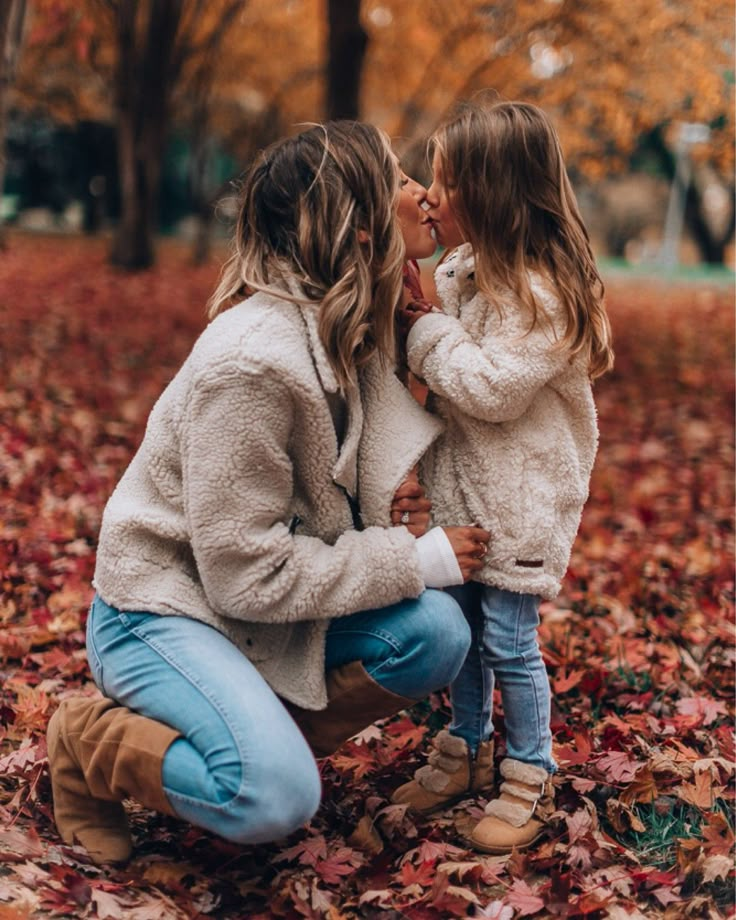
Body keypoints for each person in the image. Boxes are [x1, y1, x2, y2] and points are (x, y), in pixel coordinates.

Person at [45, 121, 492, 865]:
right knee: (273, 796)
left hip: (251, 610)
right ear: (355, 227)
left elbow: (319, 501)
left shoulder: (352, 328)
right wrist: (409, 560)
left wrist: (390, 514)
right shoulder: (252, 365)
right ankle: (90, 746)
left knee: (436, 636)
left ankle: (247, 730)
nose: (420, 192)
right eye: (400, 180)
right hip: (164, 608)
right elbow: (245, 573)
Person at [391, 100, 614, 854]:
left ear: (492, 194)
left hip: (520, 503)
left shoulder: (543, 296)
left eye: (447, 184)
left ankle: (530, 767)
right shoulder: (462, 270)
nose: (429, 195)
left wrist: (420, 329)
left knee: (509, 642)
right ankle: (464, 745)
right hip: (463, 496)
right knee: (463, 636)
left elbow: (488, 388)